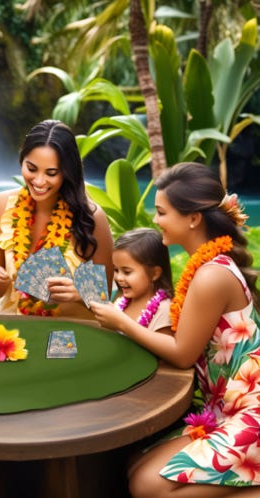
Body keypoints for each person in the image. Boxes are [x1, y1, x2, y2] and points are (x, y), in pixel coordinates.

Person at [91, 163, 260, 497]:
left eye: (162, 212)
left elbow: (183, 355)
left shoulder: (211, 276)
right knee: (134, 465)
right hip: (221, 409)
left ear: (193, 218)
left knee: (145, 485)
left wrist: (122, 322)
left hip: (252, 412)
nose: (156, 221)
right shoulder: (206, 266)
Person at [0, 119, 114, 319]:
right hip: (9, 326)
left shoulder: (90, 218)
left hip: (67, 334)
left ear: (67, 172)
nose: (39, 181)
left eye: (51, 173)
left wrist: (79, 293)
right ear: (21, 160)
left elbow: (103, 303)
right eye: (31, 168)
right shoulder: (1, 205)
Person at [109, 227, 173, 334]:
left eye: (127, 272)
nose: (119, 277)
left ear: (154, 273)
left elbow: (163, 349)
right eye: (116, 270)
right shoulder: (121, 302)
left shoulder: (164, 310)